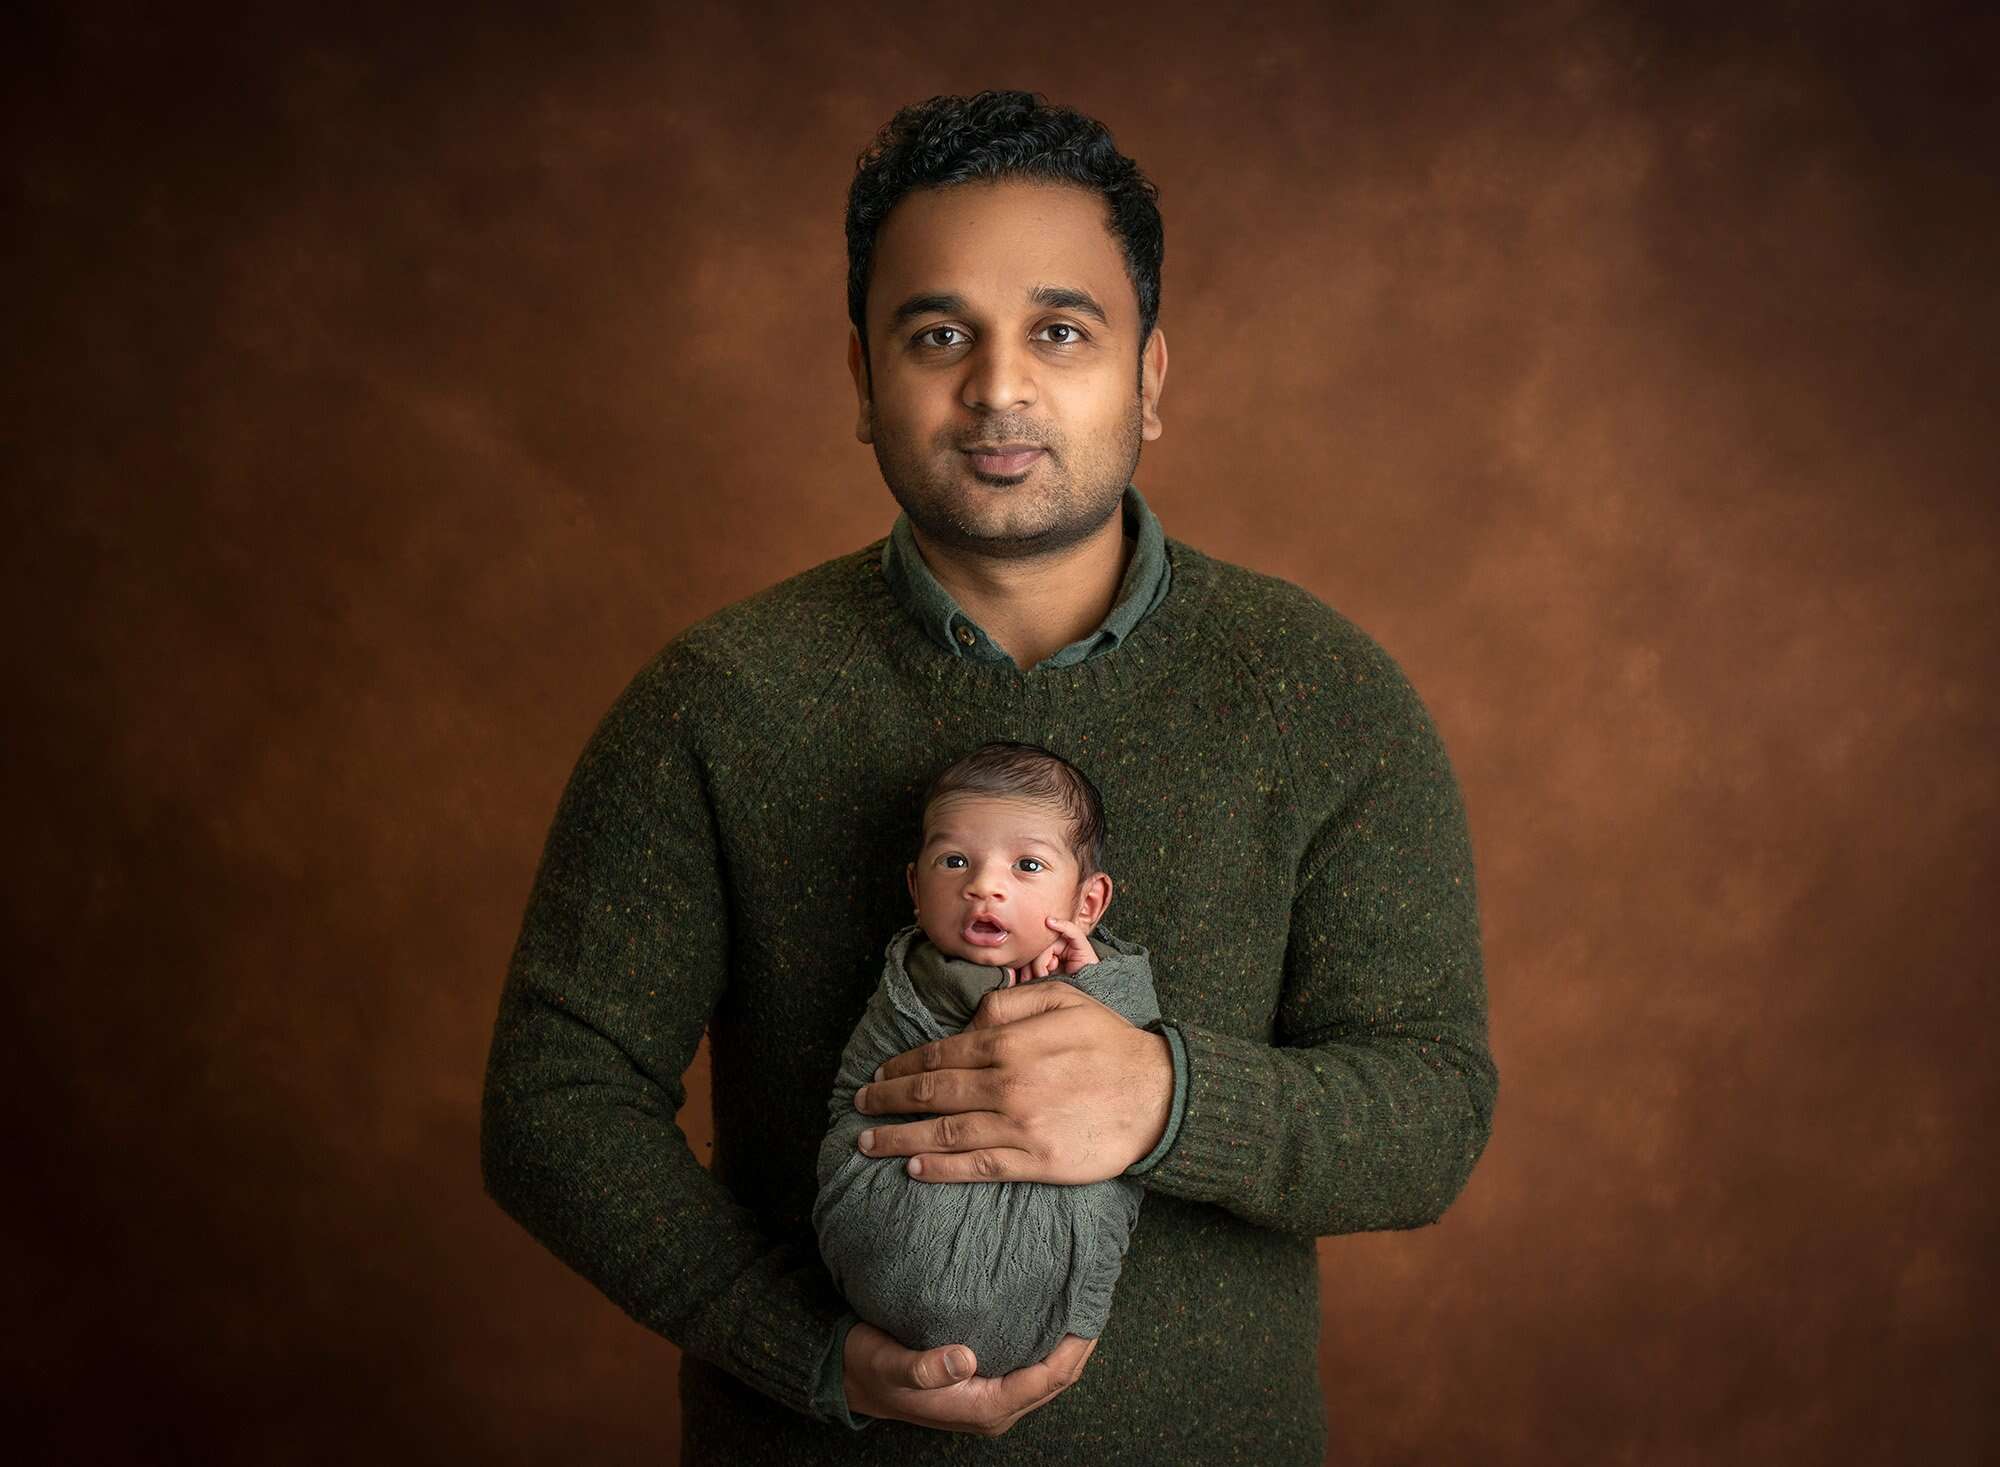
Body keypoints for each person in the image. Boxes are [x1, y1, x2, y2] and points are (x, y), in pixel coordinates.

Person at [480, 88, 1498, 1465]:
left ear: (1148, 374)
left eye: (1062, 331)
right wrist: (801, 1346)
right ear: (860, 378)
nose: (999, 385)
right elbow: (554, 1098)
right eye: (939, 332)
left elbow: (1432, 1109)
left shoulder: (1323, 693)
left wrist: (1165, 1097)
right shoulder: (717, 701)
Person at [813, 740, 1163, 1383]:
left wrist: (1093, 996)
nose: (983, 886)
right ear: (916, 889)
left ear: (1086, 905)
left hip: (1040, 1290)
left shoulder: (1099, 973)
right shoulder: (920, 973)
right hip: (897, 1217)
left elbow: (1131, 1068)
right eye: (955, 861)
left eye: (1027, 865)